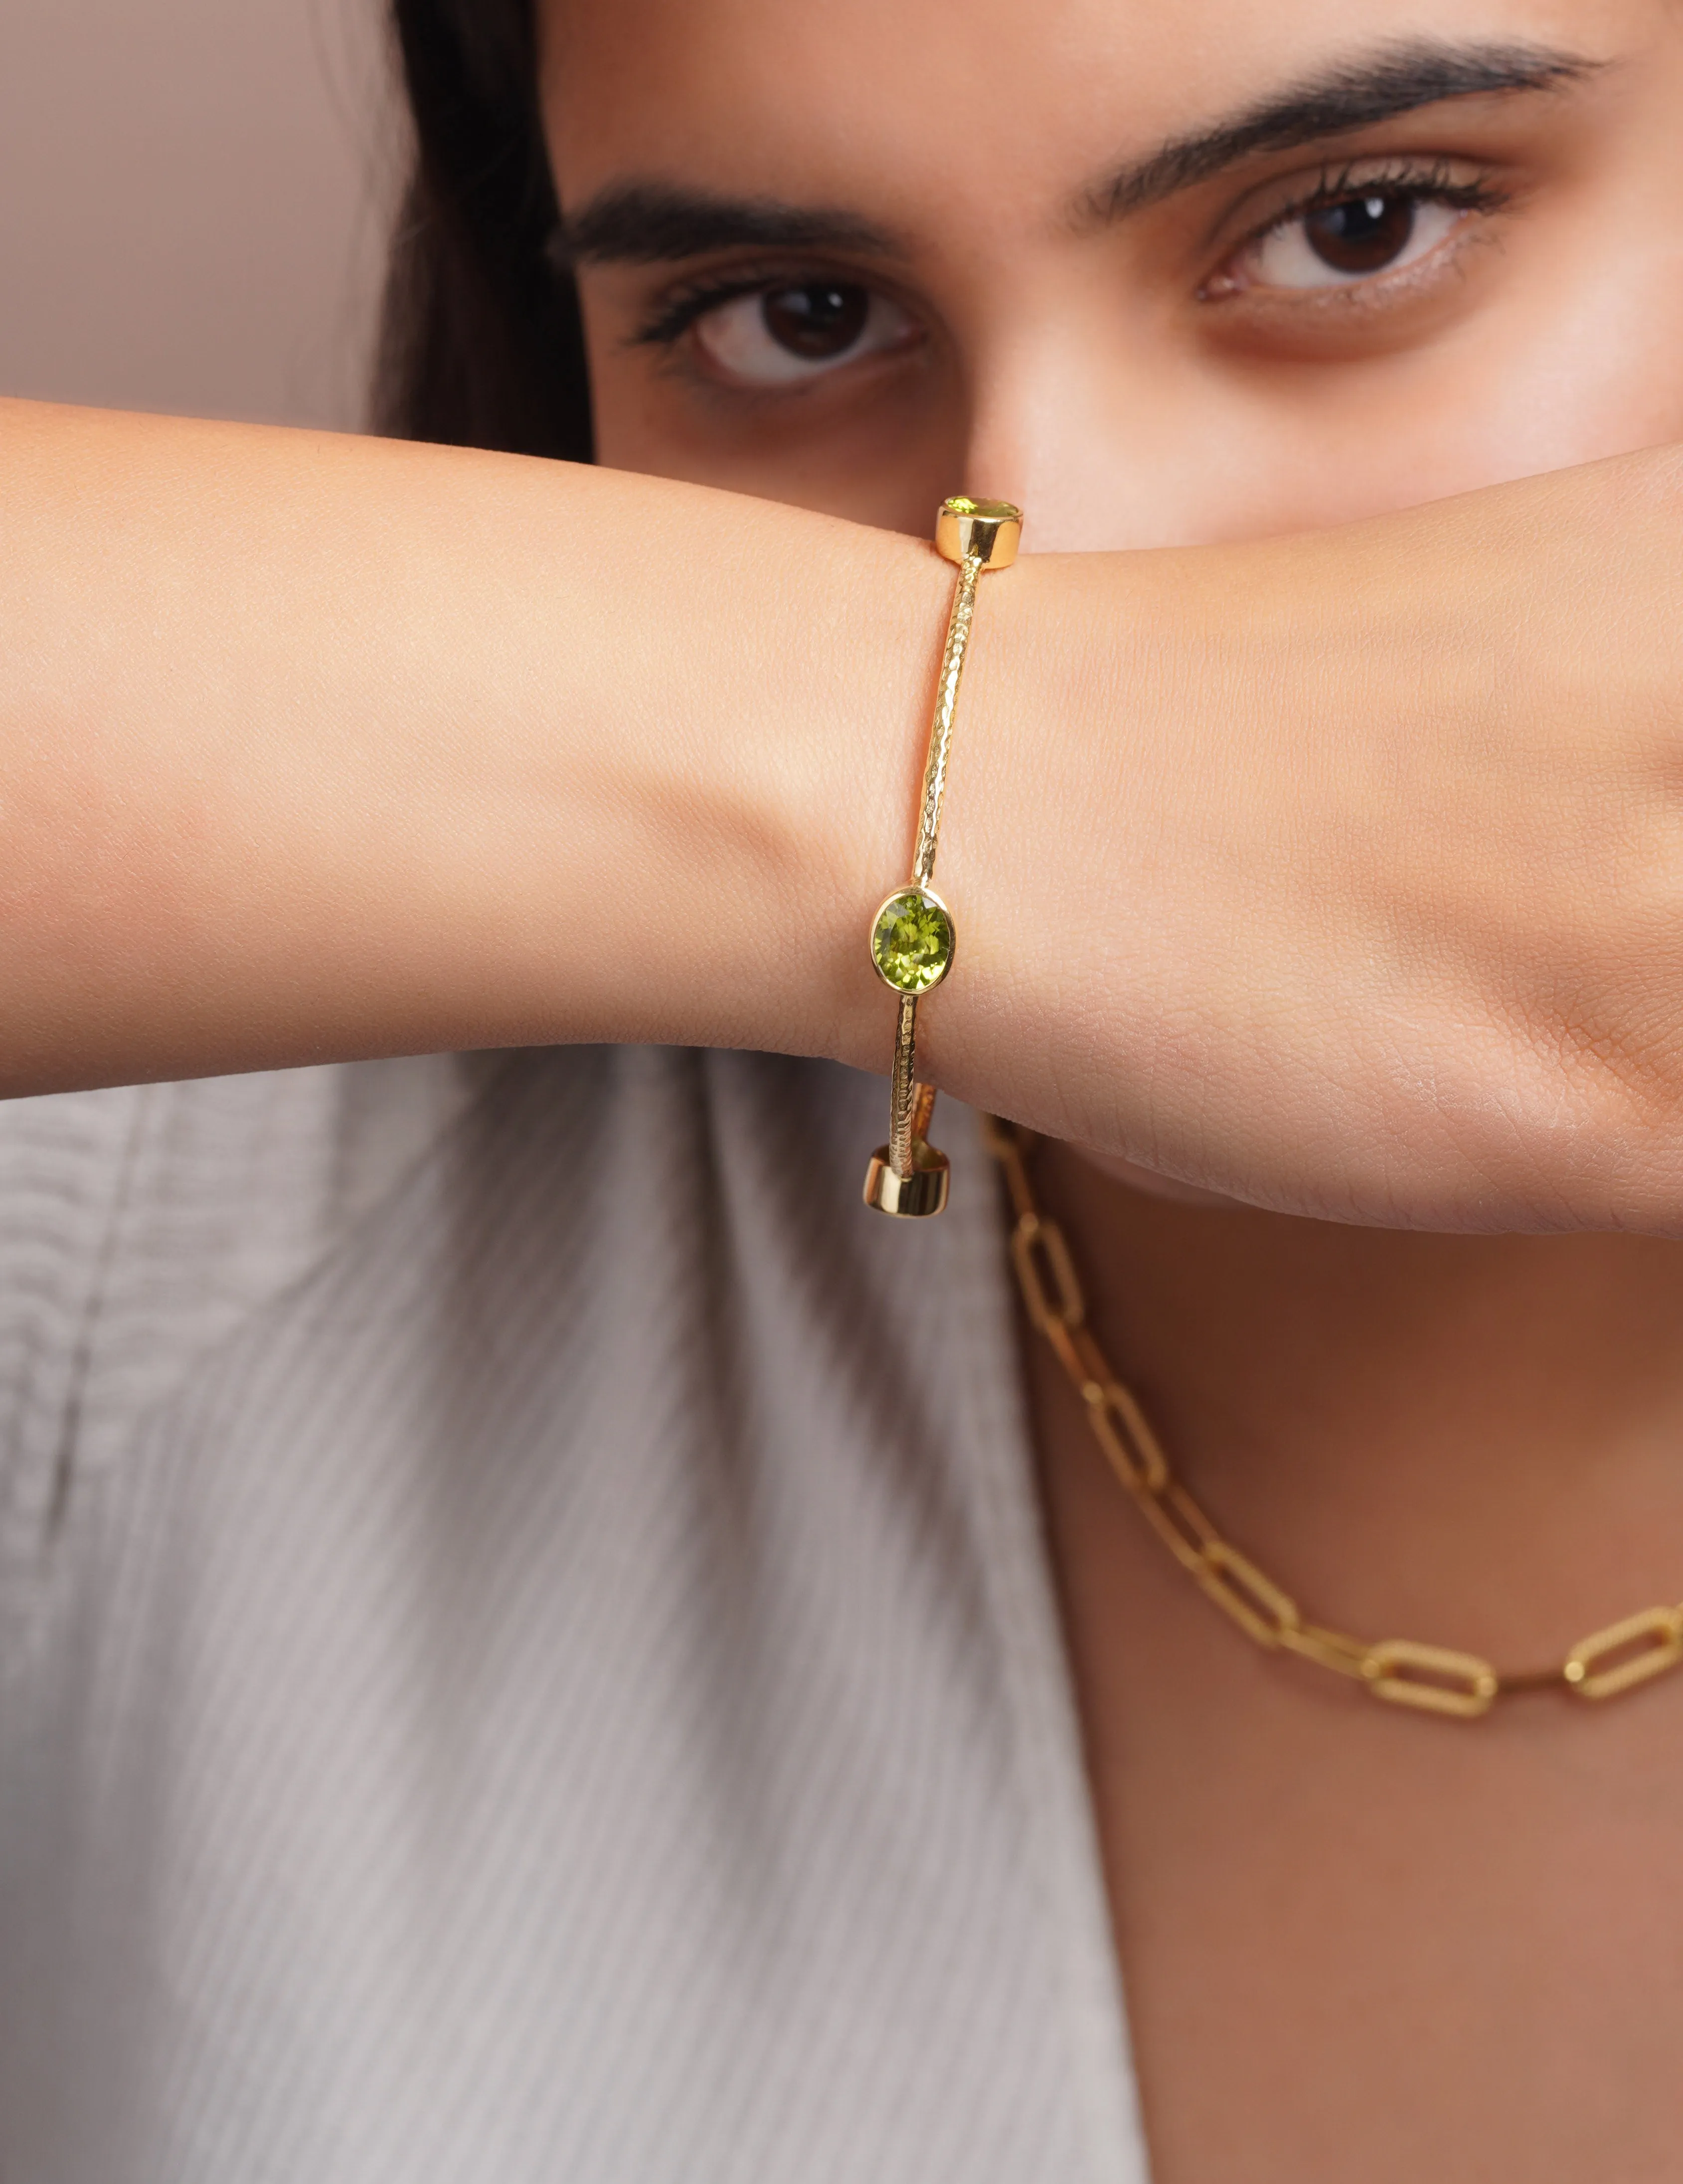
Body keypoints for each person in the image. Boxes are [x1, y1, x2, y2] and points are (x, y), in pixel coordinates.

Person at [4, 0, 1683, 2177]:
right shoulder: (166, 1234)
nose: (1059, 548)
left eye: (1356, 231)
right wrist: (974, 781)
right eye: (798, 320)